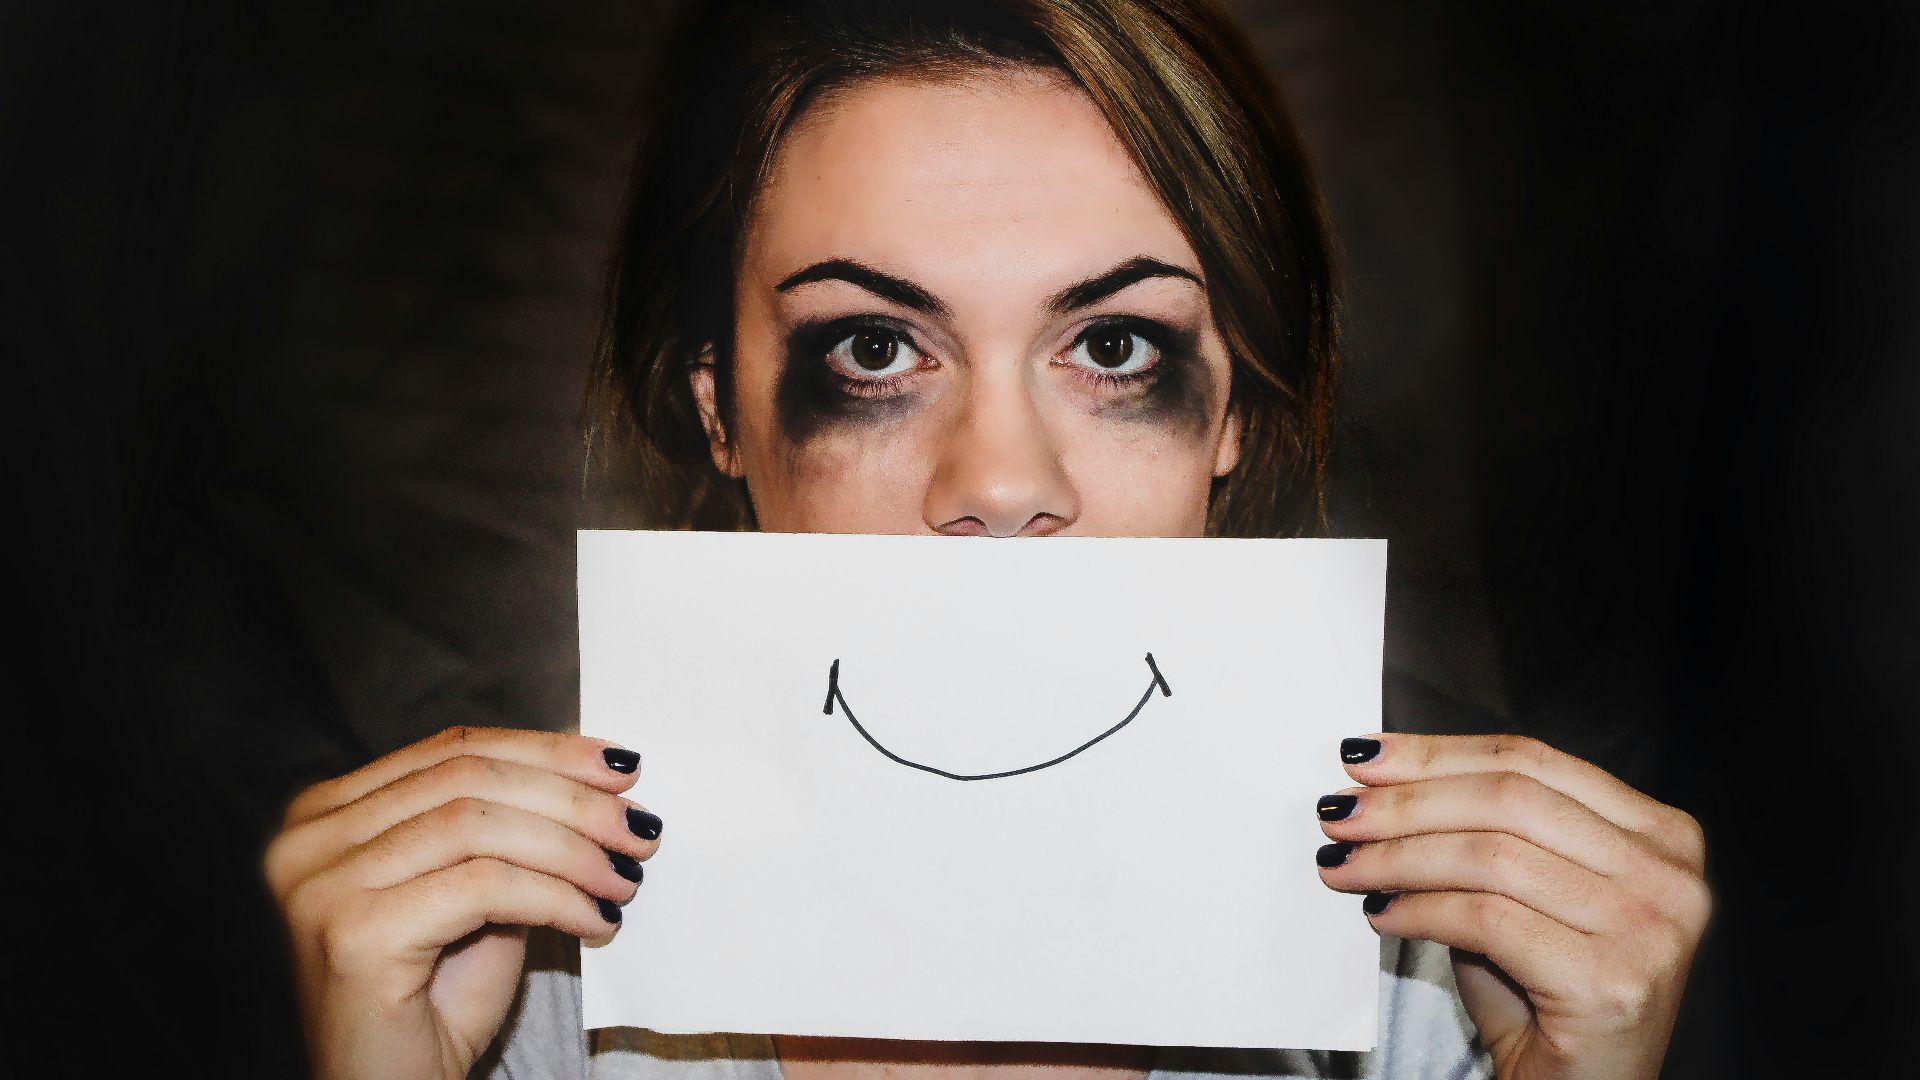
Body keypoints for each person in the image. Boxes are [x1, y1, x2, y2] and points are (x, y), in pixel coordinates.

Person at [264, 2, 1710, 1078]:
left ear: (1238, 424)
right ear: (722, 414)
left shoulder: (1449, 1003)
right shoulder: (507, 1000)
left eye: (1118, 343)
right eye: (877, 348)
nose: (1002, 480)